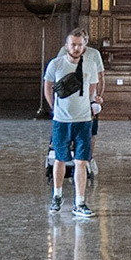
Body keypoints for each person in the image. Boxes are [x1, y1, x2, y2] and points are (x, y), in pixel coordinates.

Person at [44, 28, 104, 218]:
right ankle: (57, 196)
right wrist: (55, 109)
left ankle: (80, 202)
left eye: (79, 45)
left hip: (83, 120)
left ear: (84, 46)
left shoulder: (90, 65)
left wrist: (92, 103)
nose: (76, 48)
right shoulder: (56, 64)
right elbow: (48, 87)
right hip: (61, 120)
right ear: (66, 46)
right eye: (73, 45)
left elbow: (92, 90)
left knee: (81, 161)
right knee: (60, 159)